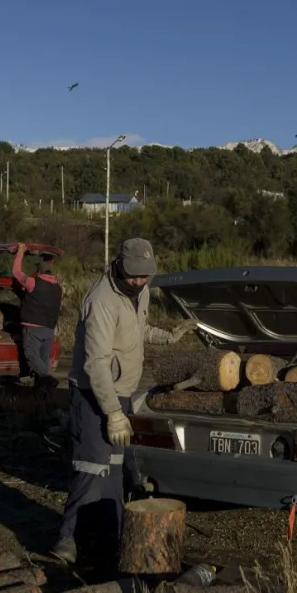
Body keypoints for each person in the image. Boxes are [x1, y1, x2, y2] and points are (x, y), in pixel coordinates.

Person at [52, 238, 197, 564]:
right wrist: (114, 414)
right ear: (119, 265)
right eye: (134, 276)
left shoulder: (140, 292)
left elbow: (137, 328)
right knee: (92, 467)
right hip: (94, 394)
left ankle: (111, 537)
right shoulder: (102, 300)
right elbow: (96, 364)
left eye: (145, 276)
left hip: (120, 393)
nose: (139, 281)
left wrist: (167, 336)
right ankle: (69, 540)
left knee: (115, 469)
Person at [11, 243, 62, 388]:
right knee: (43, 358)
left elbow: (16, 272)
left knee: (32, 356)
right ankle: (43, 391)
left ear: (38, 272)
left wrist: (20, 252)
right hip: (49, 328)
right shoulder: (57, 287)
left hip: (33, 327)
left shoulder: (33, 283)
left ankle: (48, 379)